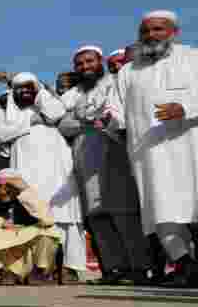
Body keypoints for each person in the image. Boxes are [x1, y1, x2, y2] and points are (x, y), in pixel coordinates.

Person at [103, 10, 198, 287]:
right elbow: (115, 106)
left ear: (174, 33)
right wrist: (112, 119)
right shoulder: (128, 70)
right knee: (161, 207)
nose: (150, 35)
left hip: (190, 144)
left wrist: (185, 108)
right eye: (145, 31)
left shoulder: (193, 58)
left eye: (158, 29)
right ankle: (184, 265)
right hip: (150, 152)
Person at [60, 45, 150, 285]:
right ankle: (113, 269)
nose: (85, 67)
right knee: (98, 218)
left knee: (124, 214)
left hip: (115, 155)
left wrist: (86, 120)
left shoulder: (115, 82)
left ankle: (138, 269)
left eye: (89, 62)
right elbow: (63, 124)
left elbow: (117, 115)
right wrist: (87, 121)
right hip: (85, 161)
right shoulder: (75, 93)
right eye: (80, 64)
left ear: (99, 62)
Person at [0, 72, 87, 283]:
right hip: (25, 172)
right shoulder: (9, 113)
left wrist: (40, 93)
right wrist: (31, 120)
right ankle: (34, 268)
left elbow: (57, 112)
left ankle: (70, 268)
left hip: (57, 171)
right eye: (20, 88)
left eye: (29, 86)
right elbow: (2, 134)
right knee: (29, 218)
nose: (25, 91)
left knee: (65, 218)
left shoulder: (49, 103)